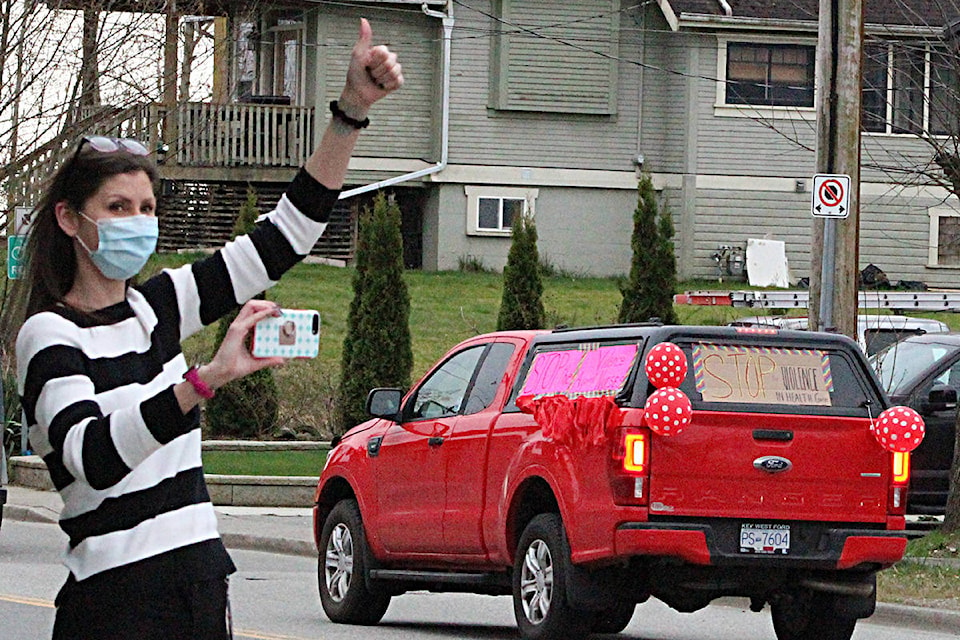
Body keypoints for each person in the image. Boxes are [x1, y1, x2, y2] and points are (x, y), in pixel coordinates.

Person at [11, 18, 402, 640]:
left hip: (198, 581)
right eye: (117, 208)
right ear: (68, 219)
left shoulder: (158, 306)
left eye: (146, 208)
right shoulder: (49, 335)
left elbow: (285, 237)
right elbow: (94, 458)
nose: (137, 222)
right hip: (117, 601)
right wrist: (204, 380)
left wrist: (350, 113)